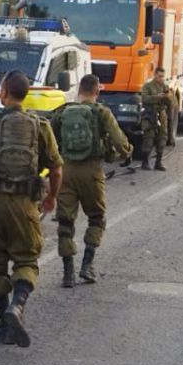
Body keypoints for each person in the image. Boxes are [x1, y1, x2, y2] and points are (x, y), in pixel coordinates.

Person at [0, 71, 63, 347]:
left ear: (3, 93)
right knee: (26, 260)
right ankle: (16, 307)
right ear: (25, 94)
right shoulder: (40, 125)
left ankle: (5, 325)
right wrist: (51, 197)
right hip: (24, 204)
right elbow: (56, 168)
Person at [51, 74, 132, 288]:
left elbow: (49, 140)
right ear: (97, 91)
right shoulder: (101, 112)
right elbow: (118, 139)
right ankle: (87, 265)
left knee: (65, 221)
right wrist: (127, 153)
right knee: (97, 217)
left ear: (79, 90)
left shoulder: (63, 112)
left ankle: (68, 273)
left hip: (66, 171)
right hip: (92, 172)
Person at [139, 68, 171, 171]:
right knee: (149, 137)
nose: (161, 78)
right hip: (150, 114)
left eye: (163, 76)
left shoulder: (165, 87)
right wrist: (157, 97)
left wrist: (167, 97)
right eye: (159, 76)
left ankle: (158, 162)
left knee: (162, 137)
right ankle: (145, 162)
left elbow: (171, 103)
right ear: (155, 75)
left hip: (161, 114)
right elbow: (144, 99)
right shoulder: (148, 86)